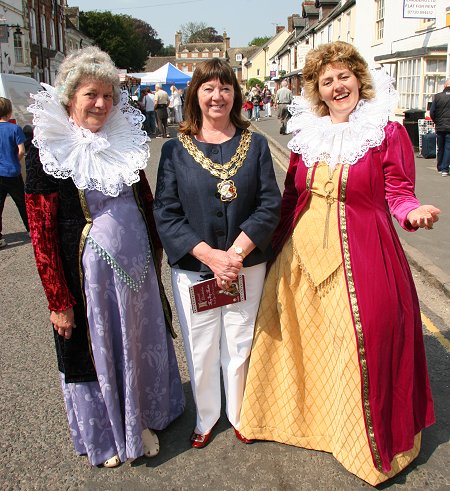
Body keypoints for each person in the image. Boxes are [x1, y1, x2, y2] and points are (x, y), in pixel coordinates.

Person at [239, 41, 439, 486]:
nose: (336, 86)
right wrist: (263, 246)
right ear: (316, 90)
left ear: (358, 79)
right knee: (297, 335)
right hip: (302, 252)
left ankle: (357, 437)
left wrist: (412, 212)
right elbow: (292, 194)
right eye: (326, 81)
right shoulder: (308, 134)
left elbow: (397, 191)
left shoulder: (385, 131)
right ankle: (301, 421)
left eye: (343, 76)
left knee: (359, 339)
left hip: (365, 247)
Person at [25, 46, 184, 468]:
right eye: (90, 95)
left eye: (107, 95)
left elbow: (144, 201)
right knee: (97, 350)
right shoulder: (48, 147)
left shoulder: (125, 142)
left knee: (138, 342)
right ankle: (111, 432)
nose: (100, 103)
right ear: (70, 98)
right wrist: (58, 300)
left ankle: (144, 417)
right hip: (88, 280)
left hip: (137, 273)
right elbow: (40, 232)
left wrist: (158, 251)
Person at [154, 58, 281, 449]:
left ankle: (239, 413)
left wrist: (237, 253)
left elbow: (268, 204)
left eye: (225, 88)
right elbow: (166, 211)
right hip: (196, 267)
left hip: (245, 266)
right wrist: (211, 256)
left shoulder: (256, 143)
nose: (217, 96)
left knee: (240, 341)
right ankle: (207, 415)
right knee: (201, 344)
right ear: (195, 94)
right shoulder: (175, 150)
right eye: (208, 88)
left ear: (235, 95)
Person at [0, 97, 29, 248]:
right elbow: (21, 150)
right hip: (12, 172)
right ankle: (30, 230)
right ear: (9, 112)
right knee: (21, 203)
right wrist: (15, 160)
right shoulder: (14, 129)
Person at [430, 78, 450, 176]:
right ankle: (445, 169)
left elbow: (432, 112)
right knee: (448, 148)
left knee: (440, 147)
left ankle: (440, 166)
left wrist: (436, 122)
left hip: (440, 126)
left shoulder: (437, 97)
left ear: (445, 86)